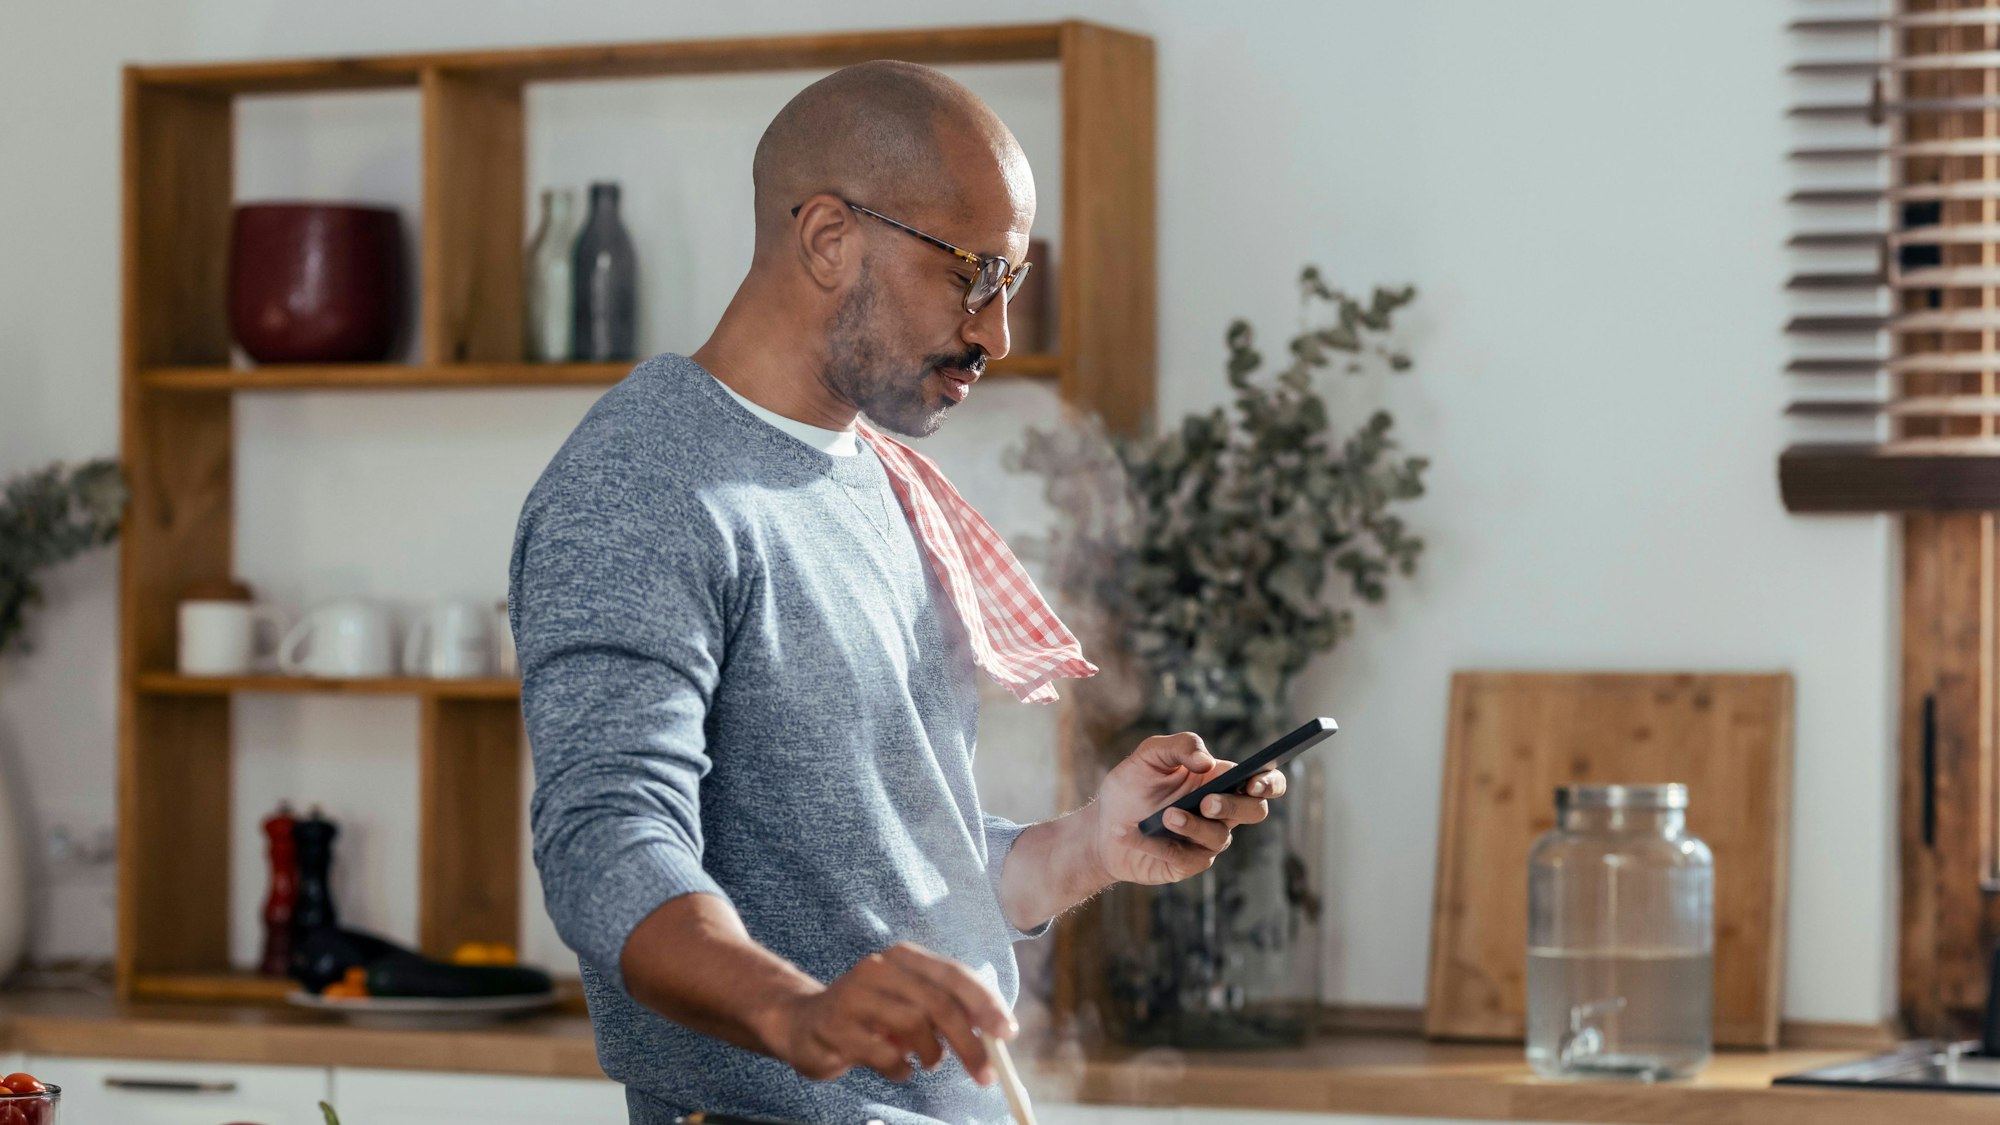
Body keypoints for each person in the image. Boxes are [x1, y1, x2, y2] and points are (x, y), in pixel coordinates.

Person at [508, 60, 1289, 1125]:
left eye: (1009, 285)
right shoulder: (646, 487)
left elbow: (882, 854)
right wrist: (795, 1013)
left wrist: (1081, 848)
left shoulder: (879, 482)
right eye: (971, 274)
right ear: (828, 237)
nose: (994, 335)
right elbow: (605, 838)